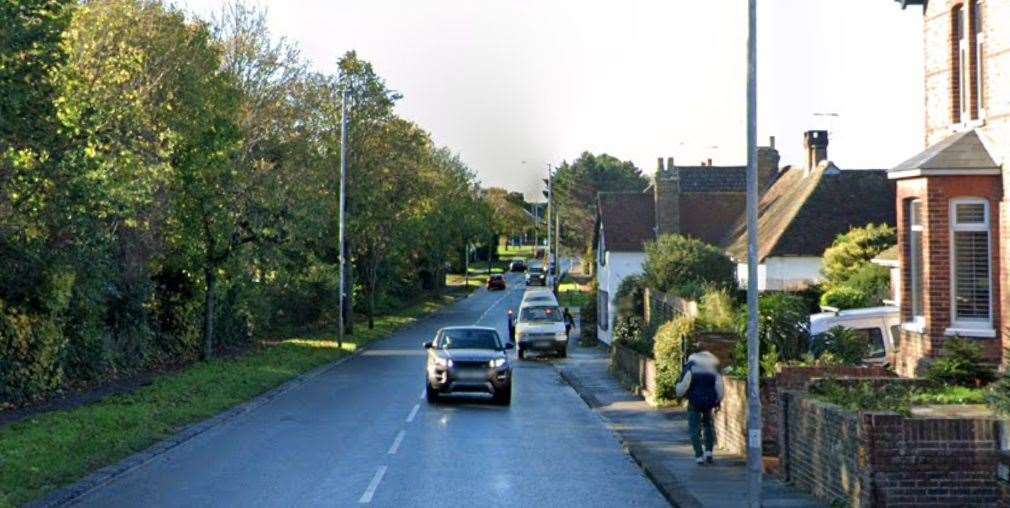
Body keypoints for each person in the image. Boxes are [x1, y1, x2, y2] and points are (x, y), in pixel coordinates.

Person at [675, 351, 725, 464]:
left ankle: (699, 455)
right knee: (708, 426)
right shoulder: (712, 368)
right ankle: (709, 452)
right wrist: (718, 400)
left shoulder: (691, 367)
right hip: (708, 402)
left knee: (694, 428)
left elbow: (684, 384)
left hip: (694, 401)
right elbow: (719, 385)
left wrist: (679, 393)